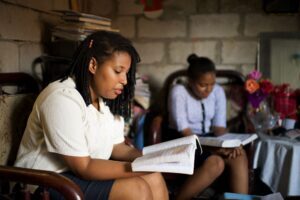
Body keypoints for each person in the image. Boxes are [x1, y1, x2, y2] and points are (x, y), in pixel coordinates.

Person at [14, 31, 169, 200]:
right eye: (118, 71)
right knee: (136, 189)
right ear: (93, 65)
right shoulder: (62, 98)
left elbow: (117, 148)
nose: (125, 80)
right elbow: (84, 167)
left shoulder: (101, 101)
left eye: (127, 73)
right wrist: (139, 167)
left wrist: (155, 159)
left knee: (153, 176)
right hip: (45, 182)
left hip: (76, 176)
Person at [168, 54, 248, 200]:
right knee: (216, 163)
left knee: (238, 155)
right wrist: (213, 148)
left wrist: (230, 143)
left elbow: (219, 128)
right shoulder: (179, 92)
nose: (208, 89)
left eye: (212, 84)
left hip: (208, 139)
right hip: (182, 141)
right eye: (203, 85)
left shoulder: (217, 91)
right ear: (190, 81)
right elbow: (186, 133)